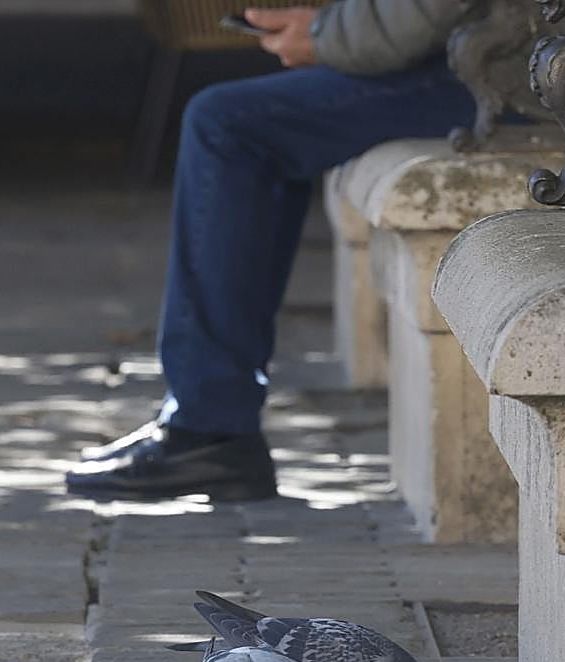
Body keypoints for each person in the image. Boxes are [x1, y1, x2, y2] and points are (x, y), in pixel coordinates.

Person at [66, 0, 473, 501]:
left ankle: (208, 428)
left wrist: (326, 36)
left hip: (509, 77)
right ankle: (208, 425)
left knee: (226, 125)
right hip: (500, 61)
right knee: (237, 123)